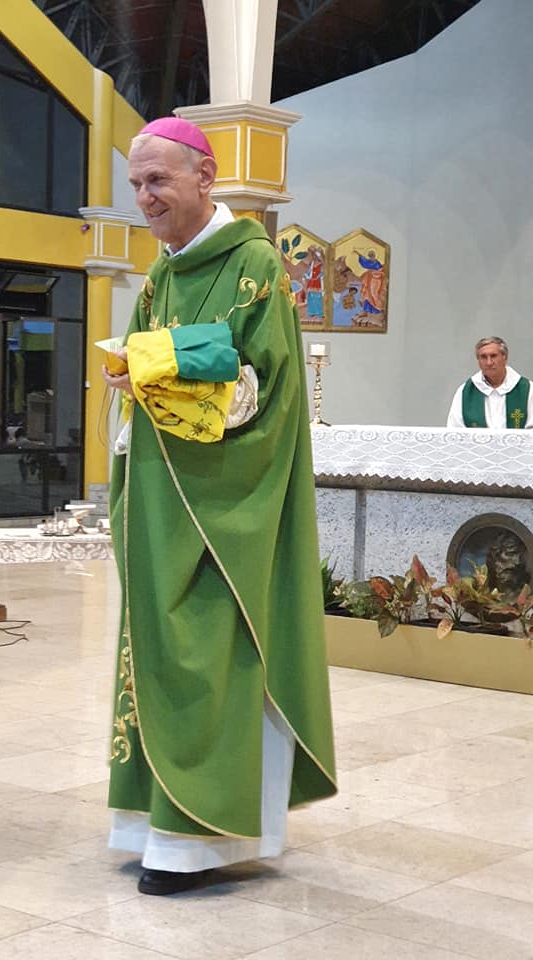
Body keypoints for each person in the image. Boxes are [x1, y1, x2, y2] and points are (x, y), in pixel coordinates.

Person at [101, 115, 336, 897]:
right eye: (136, 184)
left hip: (220, 504)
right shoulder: (161, 276)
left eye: (158, 180)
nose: (145, 197)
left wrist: (161, 364)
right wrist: (132, 373)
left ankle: (199, 842)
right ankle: (154, 826)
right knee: (158, 654)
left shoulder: (255, 266)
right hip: (159, 497)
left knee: (208, 652)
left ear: (205, 177)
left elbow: (262, 391)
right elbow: (143, 375)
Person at [447, 337, 533, 429]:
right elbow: (455, 430)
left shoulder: (528, 390)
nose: (489, 363)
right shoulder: (466, 392)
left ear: (505, 357)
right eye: (483, 357)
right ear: (478, 361)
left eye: (493, 356)